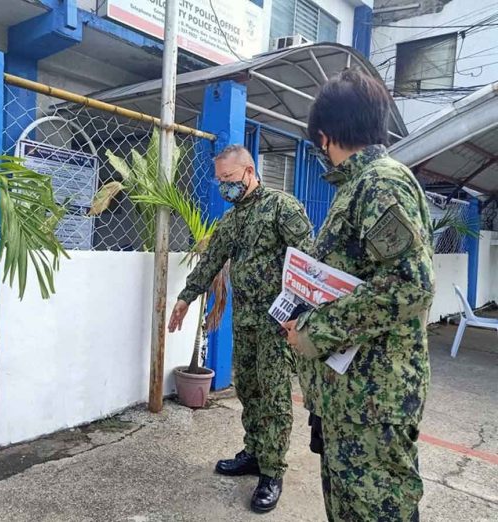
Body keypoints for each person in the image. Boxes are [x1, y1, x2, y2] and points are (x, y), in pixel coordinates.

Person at [283, 68, 435, 521]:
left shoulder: (379, 184)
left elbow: (412, 284)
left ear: (326, 138)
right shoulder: (359, 187)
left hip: (373, 400)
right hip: (352, 398)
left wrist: (317, 331)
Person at [168, 144, 312, 514]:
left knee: (275, 397)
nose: (224, 187)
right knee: (248, 389)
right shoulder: (231, 220)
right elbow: (212, 260)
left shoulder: (283, 208)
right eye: (219, 181)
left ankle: (273, 472)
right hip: (245, 323)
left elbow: (310, 263)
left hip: (280, 324)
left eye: (228, 179)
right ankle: (253, 453)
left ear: (249, 172)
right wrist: (186, 297)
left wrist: (302, 314)